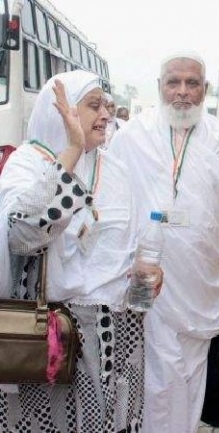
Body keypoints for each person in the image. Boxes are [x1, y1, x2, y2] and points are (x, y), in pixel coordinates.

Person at [0, 71, 149, 431]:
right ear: (60, 112)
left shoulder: (115, 168)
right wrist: (71, 150)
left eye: (107, 106)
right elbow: (23, 234)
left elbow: (138, 237)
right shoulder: (29, 162)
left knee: (102, 421)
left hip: (112, 328)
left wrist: (147, 266)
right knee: (49, 421)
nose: (105, 115)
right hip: (49, 331)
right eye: (93, 105)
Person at [108, 51, 219, 433]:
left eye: (192, 83)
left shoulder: (216, 134)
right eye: (174, 83)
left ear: (205, 89)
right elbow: (119, 199)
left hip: (197, 275)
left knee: (190, 367)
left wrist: (165, 218)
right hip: (150, 272)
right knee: (154, 366)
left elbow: (209, 205)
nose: (182, 93)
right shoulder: (133, 134)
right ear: (160, 87)